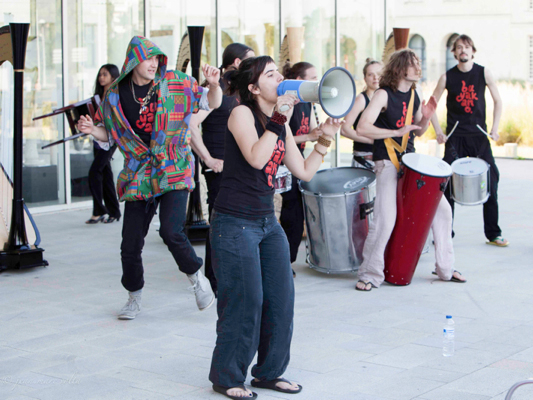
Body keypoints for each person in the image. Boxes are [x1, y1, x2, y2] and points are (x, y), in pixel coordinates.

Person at [208, 55, 341, 399]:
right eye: (271, 74)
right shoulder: (241, 112)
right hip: (234, 222)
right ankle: (227, 376)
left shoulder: (278, 119)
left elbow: (304, 171)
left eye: (279, 72)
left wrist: (324, 140)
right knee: (245, 300)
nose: (280, 77)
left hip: (267, 222)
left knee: (281, 299)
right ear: (253, 88)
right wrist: (281, 116)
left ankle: (269, 373)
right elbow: (256, 156)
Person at [77, 36, 222, 320]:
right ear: (133, 61)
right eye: (148, 58)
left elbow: (211, 103)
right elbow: (112, 134)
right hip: (139, 172)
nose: (154, 63)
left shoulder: (177, 82)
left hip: (174, 165)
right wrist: (93, 131)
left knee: (171, 231)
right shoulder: (115, 96)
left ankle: (197, 280)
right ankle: (133, 296)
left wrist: (214, 84)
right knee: (130, 243)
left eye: (157, 58)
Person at [355, 49, 466, 292]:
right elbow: (363, 127)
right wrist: (394, 132)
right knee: (385, 220)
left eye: (419, 63)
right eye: (414, 64)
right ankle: (370, 273)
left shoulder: (415, 95)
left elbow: (417, 131)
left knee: (443, 210)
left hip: (411, 166)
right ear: (401, 68)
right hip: (386, 163)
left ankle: (445, 268)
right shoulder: (383, 95)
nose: (419, 68)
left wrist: (426, 118)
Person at [189, 43, 255, 294]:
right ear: (237, 63)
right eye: (250, 60)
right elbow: (191, 125)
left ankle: (230, 274)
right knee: (218, 225)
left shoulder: (242, 90)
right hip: (219, 170)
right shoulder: (215, 89)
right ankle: (214, 280)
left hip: (240, 168)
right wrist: (208, 159)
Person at [430, 34, 508, 247]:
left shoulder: (484, 73)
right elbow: (431, 105)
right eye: (459, 47)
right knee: (445, 184)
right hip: (455, 138)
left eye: (466, 47)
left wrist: (494, 128)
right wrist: (438, 131)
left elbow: (498, 101)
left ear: (473, 51)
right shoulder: (447, 77)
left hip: (479, 137)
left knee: (492, 177)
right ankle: (446, 233)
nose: (463, 50)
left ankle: (493, 233)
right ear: (454, 53)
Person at [279, 61, 323, 273]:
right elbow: (280, 137)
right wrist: (310, 136)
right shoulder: (286, 104)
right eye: (312, 78)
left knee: (295, 216)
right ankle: (282, 261)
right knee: (290, 215)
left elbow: (313, 133)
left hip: (297, 163)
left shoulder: (309, 103)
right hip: (281, 163)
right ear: (298, 81)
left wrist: (324, 132)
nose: (317, 82)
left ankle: (287, 261)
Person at [85, 64, 121, 224]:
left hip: (111, 138)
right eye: (100, 74)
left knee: (95, 172)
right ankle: (114, 212)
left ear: (113, 77)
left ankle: (99, 210)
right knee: (106, 175)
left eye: (105, 74)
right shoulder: (97, 96)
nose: (101, 77)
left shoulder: (116, 95)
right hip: (97, 137)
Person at [341, 58, 382, 170]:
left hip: (383, 160)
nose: (375, 78)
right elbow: (344, 129)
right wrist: (372, 141)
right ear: (365, 78)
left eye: (379, 74)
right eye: (370, 74)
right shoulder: (361, 100)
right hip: (364, 160)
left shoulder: (387, 98)